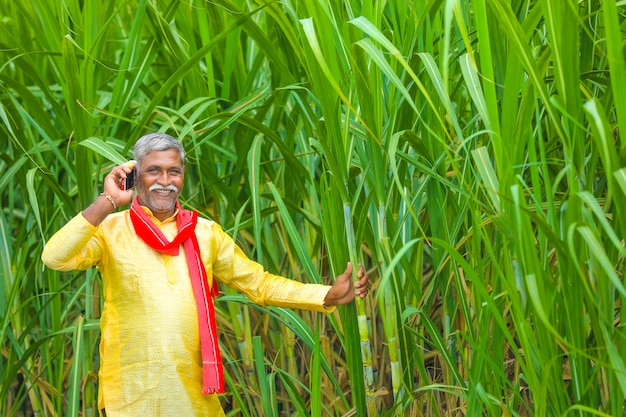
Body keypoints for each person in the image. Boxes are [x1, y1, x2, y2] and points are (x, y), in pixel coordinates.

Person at [41, 132, 369, 417]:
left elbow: (259, 284)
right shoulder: (111, 230)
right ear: (135, 176)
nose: (165, 181)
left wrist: (325, 296)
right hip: (132, 391)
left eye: (174, 172)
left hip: (192, 391)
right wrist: (109, 200)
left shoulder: (205, 233)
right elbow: (55, 257)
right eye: (153, 171)